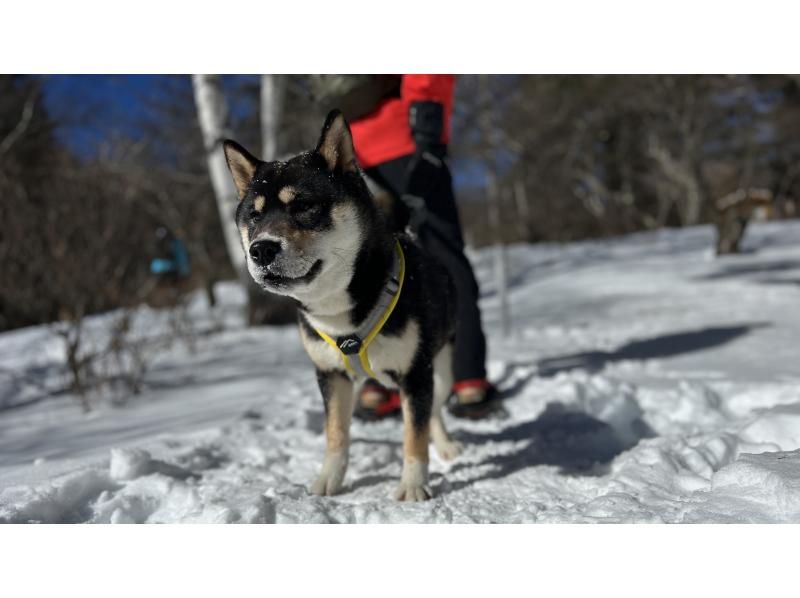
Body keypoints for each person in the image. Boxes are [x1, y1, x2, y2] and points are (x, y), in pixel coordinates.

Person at [327, 74, 496, 420]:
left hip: (355, 150)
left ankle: (379, 385)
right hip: (404, 137)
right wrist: (427, 130)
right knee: (445, 260)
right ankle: (468, 379)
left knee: (380, 264)